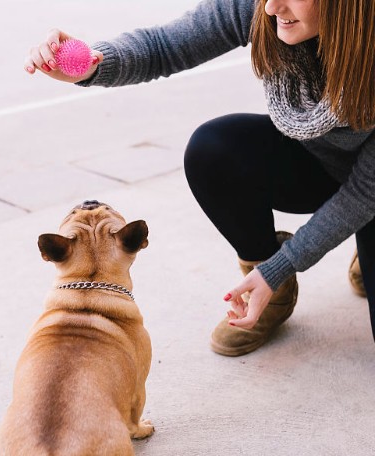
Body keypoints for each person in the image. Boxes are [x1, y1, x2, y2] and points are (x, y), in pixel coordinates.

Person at [24, 0, 375, 356]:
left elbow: (365, 190)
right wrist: (91, 65)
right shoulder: (260, 8)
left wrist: (282, 265)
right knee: (214, 149)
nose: (271, 7)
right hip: (319, 163)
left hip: (370, 183)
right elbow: (165, 47)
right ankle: (272, 294)